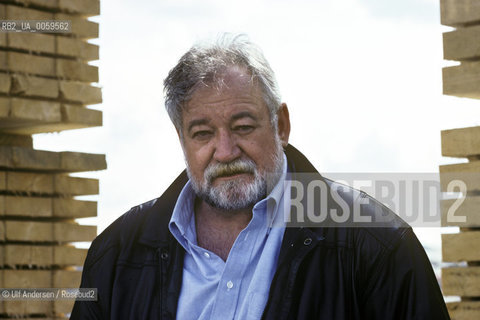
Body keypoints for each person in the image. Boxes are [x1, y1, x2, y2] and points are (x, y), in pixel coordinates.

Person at [71, 34, 450, 319]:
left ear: (281, 125)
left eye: (243, 126)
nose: (225, 151)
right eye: (202, 133)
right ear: (181, 139)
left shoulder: (376, 245)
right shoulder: (116, 255)